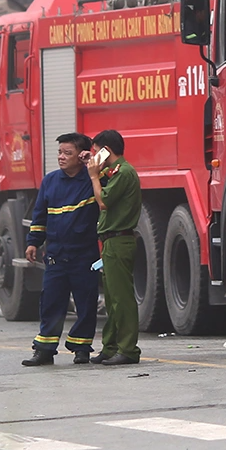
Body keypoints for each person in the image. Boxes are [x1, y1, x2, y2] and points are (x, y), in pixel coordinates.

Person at [22, 132, 99, 367]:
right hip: (55, 255)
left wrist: (91, 161)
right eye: (59, 152)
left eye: (68, 153)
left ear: (81, 156)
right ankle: (44, 350)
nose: (61, 157)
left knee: (85, 303)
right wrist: (33, 241)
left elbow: (108, 179)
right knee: (51, 303)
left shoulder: (92, 179)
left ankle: (81, 348)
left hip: (84, 254)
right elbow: (40, 214)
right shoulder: (50, 181)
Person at [87, 128, 142, 366]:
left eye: (96, 152)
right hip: (110, 241)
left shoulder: (125, 172)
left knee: (122, 299)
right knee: (111, 299)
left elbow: (104, 201)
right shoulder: (114, 171)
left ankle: (128, 349)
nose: (94, 156)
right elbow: (107, 174)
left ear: (106, 150)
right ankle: (110, 347)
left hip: (119, 241)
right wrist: (94, 166)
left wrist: (93, 176)